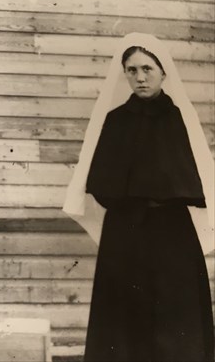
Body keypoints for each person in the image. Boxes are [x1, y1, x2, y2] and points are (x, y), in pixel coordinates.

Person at [63, 33, 214, 361]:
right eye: (132, 70)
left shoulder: (180, 119)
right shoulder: (115, 121)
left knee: (175, 318)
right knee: (124, 319)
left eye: (148, 69)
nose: (140, 77)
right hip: (125, 233)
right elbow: (101, 182)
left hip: (173, 233)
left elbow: (197, 179)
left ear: (163, 72)